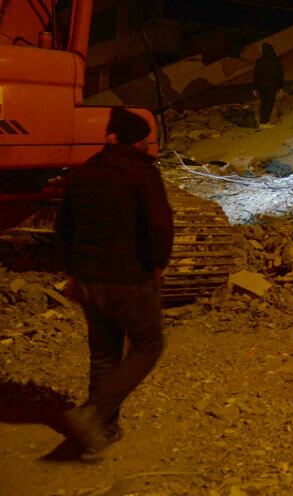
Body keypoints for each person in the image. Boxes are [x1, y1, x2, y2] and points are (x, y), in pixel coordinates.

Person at [57, 108, 173, 456]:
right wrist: (158, 265)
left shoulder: (82, 174)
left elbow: (63, 229)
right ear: (138, 142)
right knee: (148, 345)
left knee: (105, 354)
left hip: (91, 279)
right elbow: (160, 225)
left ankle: (102, 430)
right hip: (129, 277)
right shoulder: (142, 174)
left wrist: (72, 272)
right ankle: (91, 414)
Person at [252, 42, 284, 129]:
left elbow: (255, 75)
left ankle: (262, 123)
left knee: (263, 104)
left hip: (261, 87)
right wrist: (280, 86)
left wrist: (255, 88)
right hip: (272, 86)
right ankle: (266, 122)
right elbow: (280, 74)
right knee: (269, 104)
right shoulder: (276, 61)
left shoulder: (259, 61)